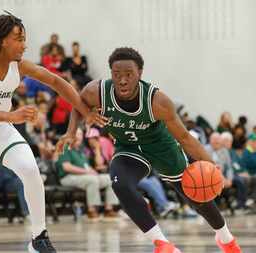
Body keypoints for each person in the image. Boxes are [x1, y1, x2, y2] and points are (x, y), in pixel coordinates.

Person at [57, 47, 241, 253]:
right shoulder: (96, 91)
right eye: (117, 75)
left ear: (140, 74)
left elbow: (185, 138)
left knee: (196, 193)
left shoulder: (157, 101)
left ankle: (226, 238)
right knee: (120, 184)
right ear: (111, 74)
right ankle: (163, 244)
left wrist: (211, 165)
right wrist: (71, 131)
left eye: (129, 75)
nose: (123, 80)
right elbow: (78, 103)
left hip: (162, 148)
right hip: (129, 148)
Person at [0, 13, 104, 253]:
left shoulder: (19, 66)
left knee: (30, 169)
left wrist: (85, 112)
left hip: (1, 131)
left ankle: (38, 237)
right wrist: (9, 116)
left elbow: (57, 82)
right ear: (3, 41)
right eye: (19, 39)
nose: (25, 44)